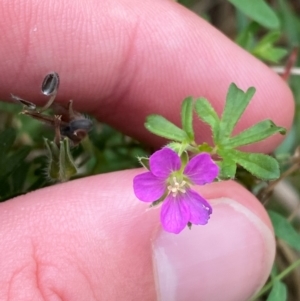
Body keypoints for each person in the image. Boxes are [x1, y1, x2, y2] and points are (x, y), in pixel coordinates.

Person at [0, 0, 294, 300]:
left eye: (178, 182)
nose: (177, 183)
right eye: (177, 180)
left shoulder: (190, 173)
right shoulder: (168, 166)